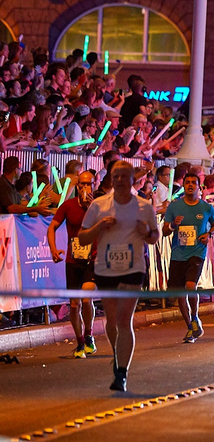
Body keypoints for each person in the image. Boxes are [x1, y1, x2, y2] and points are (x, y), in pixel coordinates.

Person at [79, 161, 160, 392]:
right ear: (111, 179)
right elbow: (82, 238)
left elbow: (155, 236)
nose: (121, 180)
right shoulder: (98, 205)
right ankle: (118, 356)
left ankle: (121, 373)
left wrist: (146, 233)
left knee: (125, 320)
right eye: (116, 176)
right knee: (113, 322)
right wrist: (99, 228)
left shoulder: (144, 207)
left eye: (125, 176)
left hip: (133, 268)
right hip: (105, 268)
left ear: (133, 178)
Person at [162, 173, 214, 343]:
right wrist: (173, 225)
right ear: (184, 186)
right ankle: (190, 326)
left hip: (197, 251)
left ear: (199, 187)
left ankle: (195, 316)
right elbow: (164, 231)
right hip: (178, 253)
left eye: (194, 182)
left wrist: (208, 234)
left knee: (190, 285)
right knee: (180, 293)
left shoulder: (206, 208)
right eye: (187, 182)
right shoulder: (174, 207)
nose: (190, 185)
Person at [47, 171, 97, 358]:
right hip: (73, 260)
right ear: (77, 187)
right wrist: (53, 248)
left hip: (92, 259)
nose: (85, 188)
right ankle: (80, 342)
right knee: (74, 305)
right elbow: (52, 227)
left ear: (94, 185)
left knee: (86, 299)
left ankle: (89, 333)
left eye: (88, 184)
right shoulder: (68, 206)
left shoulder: (99, 205)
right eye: (82, 185)